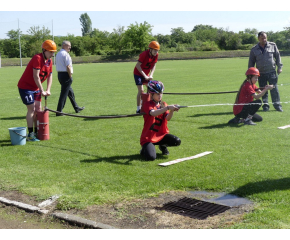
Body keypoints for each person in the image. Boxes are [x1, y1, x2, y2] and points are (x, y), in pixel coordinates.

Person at [17, 40, 57, 141]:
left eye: (53, 52)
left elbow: (50, 76)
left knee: (38, 110)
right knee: (32, 109)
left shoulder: (49, 61)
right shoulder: (37, 58)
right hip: (26, 87)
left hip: (36, 88)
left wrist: (48, 90)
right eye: (51, 51)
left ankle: (36, 132)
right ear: (44, 50)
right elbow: (36, 77)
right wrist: (42, 90)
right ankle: (30, 134)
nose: (52, 54)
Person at [140, 80, 181, 161]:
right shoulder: (147, 104)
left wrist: (172, 110)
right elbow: (154, 113)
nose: (160, 96)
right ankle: (145, 149)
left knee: (177, 141)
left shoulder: (164, 104)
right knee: (151, 158)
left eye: (161, 93)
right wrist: (168, 108)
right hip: (148, 137)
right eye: (157, 94)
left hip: (161, 135)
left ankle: (162, 145)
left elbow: (167, 118)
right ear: (151, 94)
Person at [248, 31, 283, 112]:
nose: (264, 39)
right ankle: (266, 105)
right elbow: (251, 63)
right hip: (260, 73)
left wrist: (279, 67)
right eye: (262, 38)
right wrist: (251, 74)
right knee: (263, 90)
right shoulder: (254, 49)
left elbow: (278, 57)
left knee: (274, 89)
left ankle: (277, 105)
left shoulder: (272, 45)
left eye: (265, 37)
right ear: (258, 38)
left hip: (271, 72)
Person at [55, 40, 84, 116]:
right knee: (64, 94)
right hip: (66, 75)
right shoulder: (65, 54)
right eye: (69, 46)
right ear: (64, 45)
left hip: (60, 75)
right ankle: (59, 111)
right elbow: (68, 66)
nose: (70, 48)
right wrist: (70, 76)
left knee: (70, 93)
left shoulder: (58, 54)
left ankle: (76, 108)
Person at [133, 41, 160, 113]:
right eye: (154, 50)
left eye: (157, 50)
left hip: (146, 74)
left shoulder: (156, 55)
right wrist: (145, 76)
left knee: (151, 89)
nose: (156, 52)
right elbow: (137, 65)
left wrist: (151, 75)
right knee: (141, 90)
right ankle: (138, 109)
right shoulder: (144, 54)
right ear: (150, 49)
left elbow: (154, 65)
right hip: (138, 73)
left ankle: (150, 106)